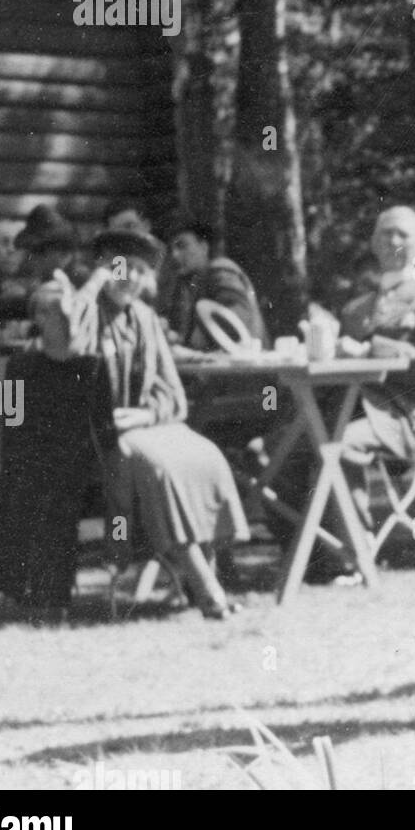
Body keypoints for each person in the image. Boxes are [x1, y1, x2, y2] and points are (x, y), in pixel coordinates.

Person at [35, 226, 249, 617]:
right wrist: (94, 284)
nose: (129, 277)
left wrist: (147, 413)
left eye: (138, 269)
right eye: (120, 267)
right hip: (90, 436)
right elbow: (67, 347)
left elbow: (174, 395)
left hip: (145, 428)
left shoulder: (146, 318)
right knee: (158, 468)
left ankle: (204, 574)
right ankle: (207, 591)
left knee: (207, 455)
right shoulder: (79, 309)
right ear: (101, 269)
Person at [337, 207, 415, 463]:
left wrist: (374, 349)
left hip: (398, 420)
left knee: (333, 447)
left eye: (402, 235)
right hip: (342, 409)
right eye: (386, 234)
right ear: (373, 244)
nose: (393, 241)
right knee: (264, 450)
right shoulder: (354, 309)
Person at [166, 218, 267, 350]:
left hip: (245, 366)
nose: (174, 255)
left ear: (204, 247)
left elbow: (237, 316)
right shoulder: (195, 283)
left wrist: (195, 341)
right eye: (171, 249)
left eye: (182, 246)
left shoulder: (220, 270)